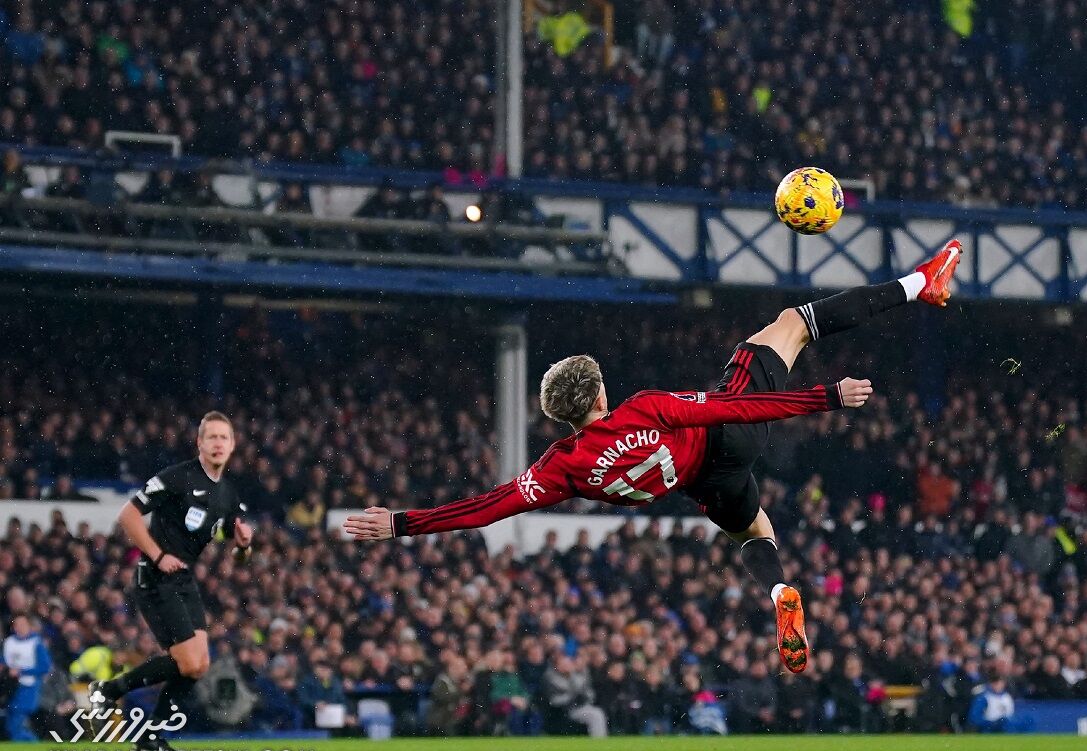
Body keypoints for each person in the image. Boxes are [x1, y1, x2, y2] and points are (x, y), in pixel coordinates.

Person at [346, 241, 964, 674]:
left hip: (707, 484)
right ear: (598, 394)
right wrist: (822, 397)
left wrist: (401, 522)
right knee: (791, 323)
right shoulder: (644, 409)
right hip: (731, 436)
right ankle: (921, 282)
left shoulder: (563, 467)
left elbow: (487, 510)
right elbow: (729, 410)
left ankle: (778, 592)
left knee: (755, 528)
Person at [88, 412, 253, 751]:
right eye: (213, 438)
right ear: (200, 443)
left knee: (198, 667)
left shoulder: (227, 494)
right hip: (155, 576)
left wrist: (244, 546)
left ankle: (150, 734)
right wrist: (158, 555)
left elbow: (236, 556)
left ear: (233, 445)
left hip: (183, 579)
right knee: (189, 663)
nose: (219, 443)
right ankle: (110, 691)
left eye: (225, 438)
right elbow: (128, 515)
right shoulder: (178, 477)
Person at [2, 614, 52, 741]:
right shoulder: (9, 642)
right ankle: (31, 744)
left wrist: (22, 671)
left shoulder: (36, 643)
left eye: (23, 624)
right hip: (10, 686)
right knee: (11, 723)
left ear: (29, 626)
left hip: (28, 687)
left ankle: (33, 743)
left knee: (14, 724)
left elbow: (44, 667)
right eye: (17, 624)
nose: (20, 627)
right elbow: (3, 661)